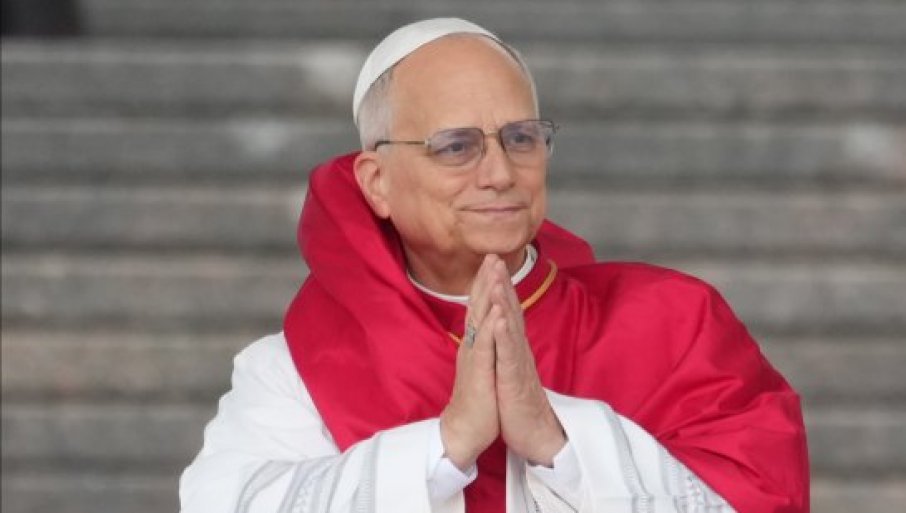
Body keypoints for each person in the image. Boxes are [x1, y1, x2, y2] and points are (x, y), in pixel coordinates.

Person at [180, 18, 809, 513]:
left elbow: (762, 499)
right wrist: (448, 442)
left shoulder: (674, 323)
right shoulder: (296, 368)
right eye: (456, 146)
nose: (501, 172)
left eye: (521, 138)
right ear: (377, 182)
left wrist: (560, 441)